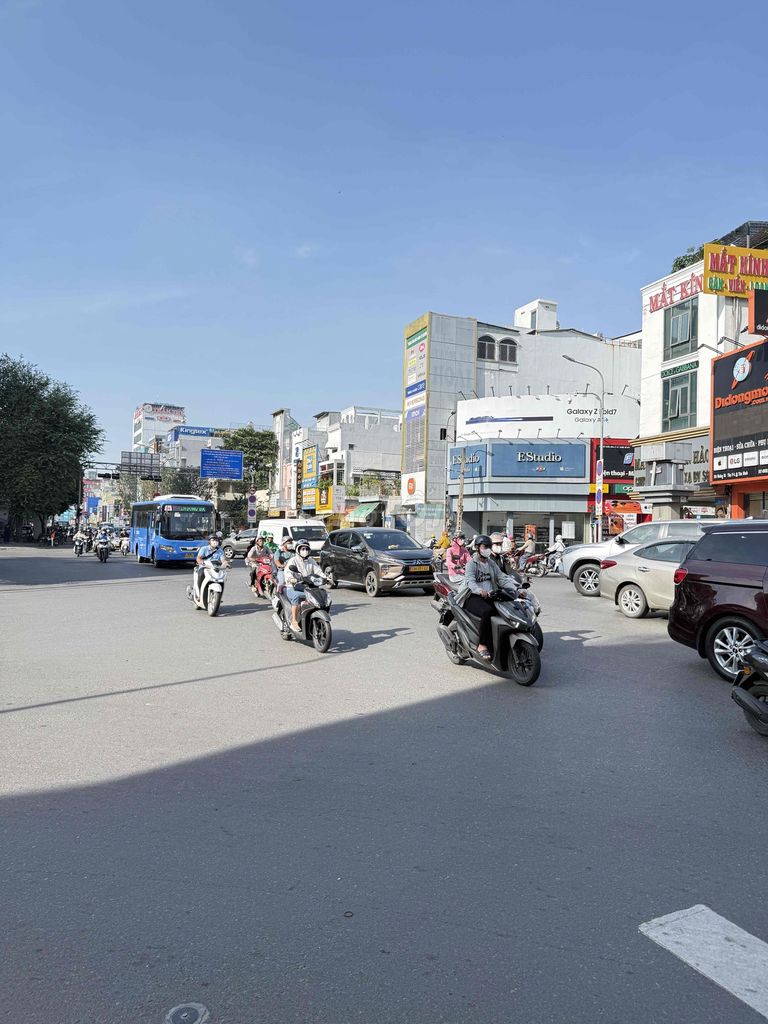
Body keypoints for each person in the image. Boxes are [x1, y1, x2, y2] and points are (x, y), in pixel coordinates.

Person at [456, 535, 520, 661]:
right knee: (487, 612)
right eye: (485, 546)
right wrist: (480, 591)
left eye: (489, 547)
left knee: (506, 609)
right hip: (472, 596)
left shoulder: (491, 563)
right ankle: (482, 644)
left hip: (490, 595)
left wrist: (516, 589)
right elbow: (470, 581)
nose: (488, 549)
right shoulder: (472, 564)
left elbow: (502, 578)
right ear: (477, 548)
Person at [283, 540, 326, 632]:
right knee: (297, 597)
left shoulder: (311, 560)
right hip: (293, 586)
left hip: (308, 587)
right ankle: (294, 621)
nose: (305, 550)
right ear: (298, 550)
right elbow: (287, 572)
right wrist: (291, 579)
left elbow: (318, 571)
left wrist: (326, 578)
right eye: (302, 549)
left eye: (306, 549)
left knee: (320, 595)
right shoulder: (293, 560)